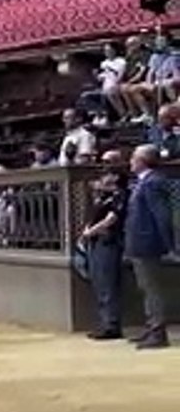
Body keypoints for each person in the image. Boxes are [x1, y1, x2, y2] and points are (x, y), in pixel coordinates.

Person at [124, 145, 175, 350]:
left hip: (149, 243)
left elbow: (161, 216)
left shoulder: (154, 182)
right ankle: (151, 326)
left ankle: (158, 331)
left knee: (152, 288)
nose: (130, 161)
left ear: (142, 160)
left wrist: (169, 245)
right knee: (145, 287)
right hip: (139, 242)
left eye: (133, 158)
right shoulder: (142, 182)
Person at [80, 169, 128, 341]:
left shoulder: (120, 195)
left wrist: (91, 231)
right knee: (99, 283)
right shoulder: (102, 197)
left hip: (108, 241)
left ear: (116, 177)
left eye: (107, 175)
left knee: (108, 284)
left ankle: (112, 325)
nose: (102, 179)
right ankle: (104, 322)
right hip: (95, 242)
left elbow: (111, 219)